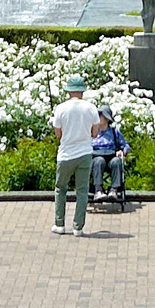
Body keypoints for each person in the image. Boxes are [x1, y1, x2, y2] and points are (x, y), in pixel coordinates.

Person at [51, 76, 100, 235]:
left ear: (69, 91)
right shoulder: (91, 108)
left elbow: (58, 133)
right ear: (82, 91)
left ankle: (59, 224)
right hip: (85, 152)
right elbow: (94, 133)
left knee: (61, 188)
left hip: (66, 154)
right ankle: (78, 227)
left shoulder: (61, 108)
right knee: (82, 191)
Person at [90, 107, 129, 202]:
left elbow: (125, 145)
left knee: (116, 161)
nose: (98, 117)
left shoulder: (114, 132)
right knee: (99, 161)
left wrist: (122, 151)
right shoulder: (91, 131)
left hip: (111, 156)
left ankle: (114, 190)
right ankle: (98, 190)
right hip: (96, 158)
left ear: (107, 118)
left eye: (100, 115)